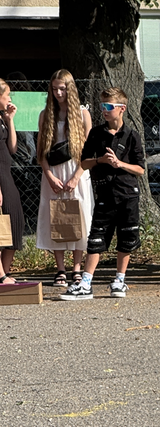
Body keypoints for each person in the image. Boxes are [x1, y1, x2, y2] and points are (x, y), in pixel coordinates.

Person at [60, 87, 144, 301]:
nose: (104, 110)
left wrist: (120, 163)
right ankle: (86, 283)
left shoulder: (132, 135)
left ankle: (119, 280)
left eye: (108, 106)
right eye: (102, 106)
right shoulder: (96, 133)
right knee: (96, 238)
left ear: (122, 108)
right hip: (105, 194)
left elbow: (140, 169)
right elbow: (84, 162)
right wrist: (100, 160)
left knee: (126, 238)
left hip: (127, 194)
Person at [35, 69, 94, 288]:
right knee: (56, 217)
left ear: (70, 89)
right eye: (55, 89)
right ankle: (60, 269)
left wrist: (76, 176)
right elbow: (41, 152)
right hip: (54, 172)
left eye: (62, 89)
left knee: (80, 217)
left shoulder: (82, 114)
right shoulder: (45, 115)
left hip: (77, 171)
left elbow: (89, 151)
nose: (58, 93)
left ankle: (77, 268)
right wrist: (49, 175)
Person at [0, 79, 24, 280]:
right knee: (1, 224)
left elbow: (13, 148)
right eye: (7, 95)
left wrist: (10, 120)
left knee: (15, 221)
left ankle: (5, 271)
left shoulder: (2, 117)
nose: (10, 98)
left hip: (6, 176)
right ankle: (0, 275)